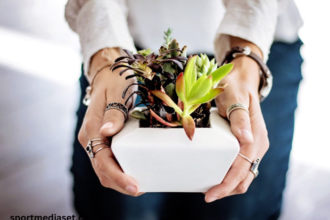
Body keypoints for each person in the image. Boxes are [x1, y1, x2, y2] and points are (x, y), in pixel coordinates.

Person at [65, 0, 303, 219]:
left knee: (240, 209)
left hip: (258, 45)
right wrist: (105, 57)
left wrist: (246, 52)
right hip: (125, 52)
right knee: (115, 208)